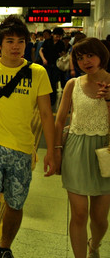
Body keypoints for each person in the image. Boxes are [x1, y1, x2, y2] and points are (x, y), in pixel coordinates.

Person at [0, 15, 56, 258]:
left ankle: (5, 246)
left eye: (20, 41)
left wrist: (51, 150)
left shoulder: (37, 73)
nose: (15, 46)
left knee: (15, 205)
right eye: (9, 41)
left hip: (22, 149)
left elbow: (47, 115)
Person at [54, 38, 110, 258]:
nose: (85, 61)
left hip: (105, 151)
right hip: (76, 150)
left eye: (90, 55)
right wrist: (56, 150)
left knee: (100, 218)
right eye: (80, 57)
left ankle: (94, 244)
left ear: (101, 55)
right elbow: (59, 121)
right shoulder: (73, 84)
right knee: (79, 214)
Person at [40, 27, 66, 106]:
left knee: (54, 82)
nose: (58, 38)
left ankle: (53, 100)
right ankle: (47, 98)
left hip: (56, 65)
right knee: (47, 81)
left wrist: (62, 55)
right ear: (53, 35)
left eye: (59, 36)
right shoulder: (47, 41)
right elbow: (41, 50)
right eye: (56, 36)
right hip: (47, 64)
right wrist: (43, 59)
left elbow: (63, 54)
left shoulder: (61, 43)